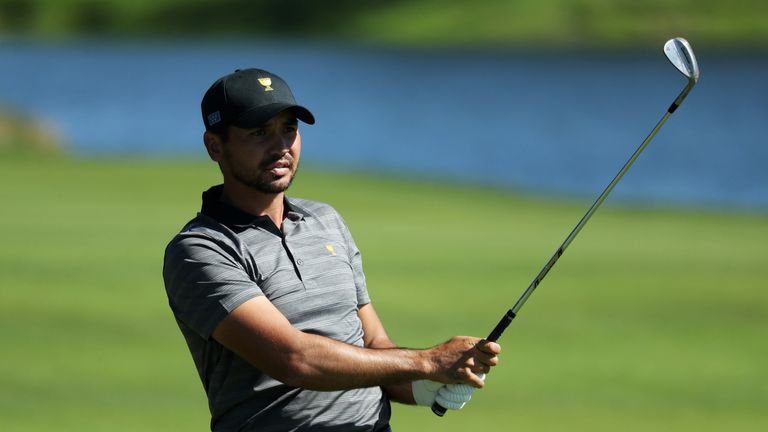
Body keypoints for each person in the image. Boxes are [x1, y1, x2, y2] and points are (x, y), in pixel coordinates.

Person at [162, 68, 502, 431]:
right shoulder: (200, 250)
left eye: (288, 129)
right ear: (215, 146)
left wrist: (430, 385)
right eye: (259, 133)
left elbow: (375, 349)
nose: (280, 146)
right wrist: (428, 362)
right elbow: (294, 359)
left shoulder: (326, 220)